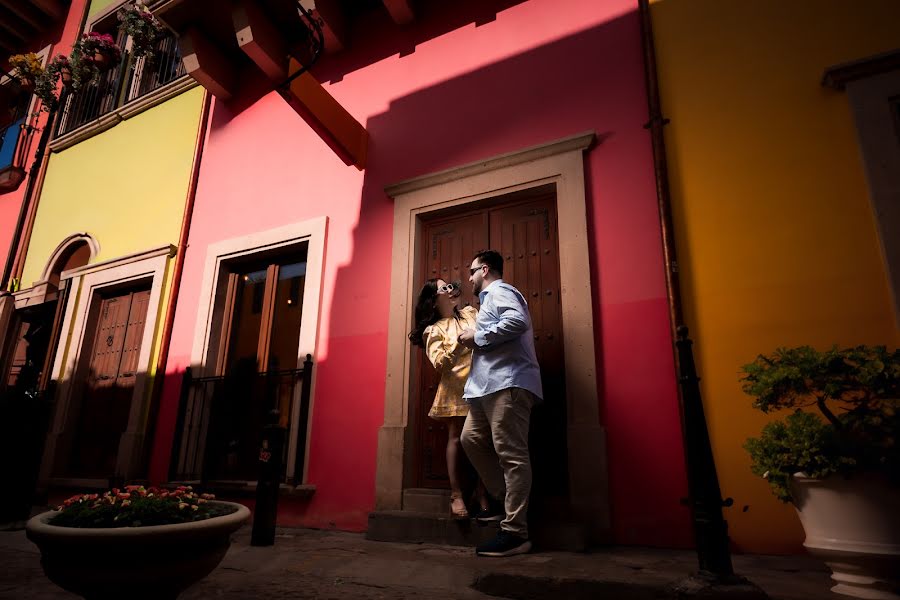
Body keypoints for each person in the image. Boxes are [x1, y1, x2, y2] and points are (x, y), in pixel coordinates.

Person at [458, 250, 542, 557]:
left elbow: (516, 321)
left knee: (511, 455)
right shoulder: (490, 298)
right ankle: (503, 502)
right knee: (471, 439)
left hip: (509, 384)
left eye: (471, 272)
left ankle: (516, 533)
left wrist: (477, 335)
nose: (469, 279)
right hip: (487, 388)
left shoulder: (500, 290)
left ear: (485, 269)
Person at [409, 278, 488, 518]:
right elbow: (440, 364)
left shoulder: (470, 313)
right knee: (455, 440)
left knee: (485, 441)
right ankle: (456, 494)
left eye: (452, 286)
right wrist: (459, 343)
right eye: (445, 288)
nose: (452, 290)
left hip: (484, 385)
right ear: (434, 301)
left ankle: (481, 491)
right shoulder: (433, 330)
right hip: (456, 390)